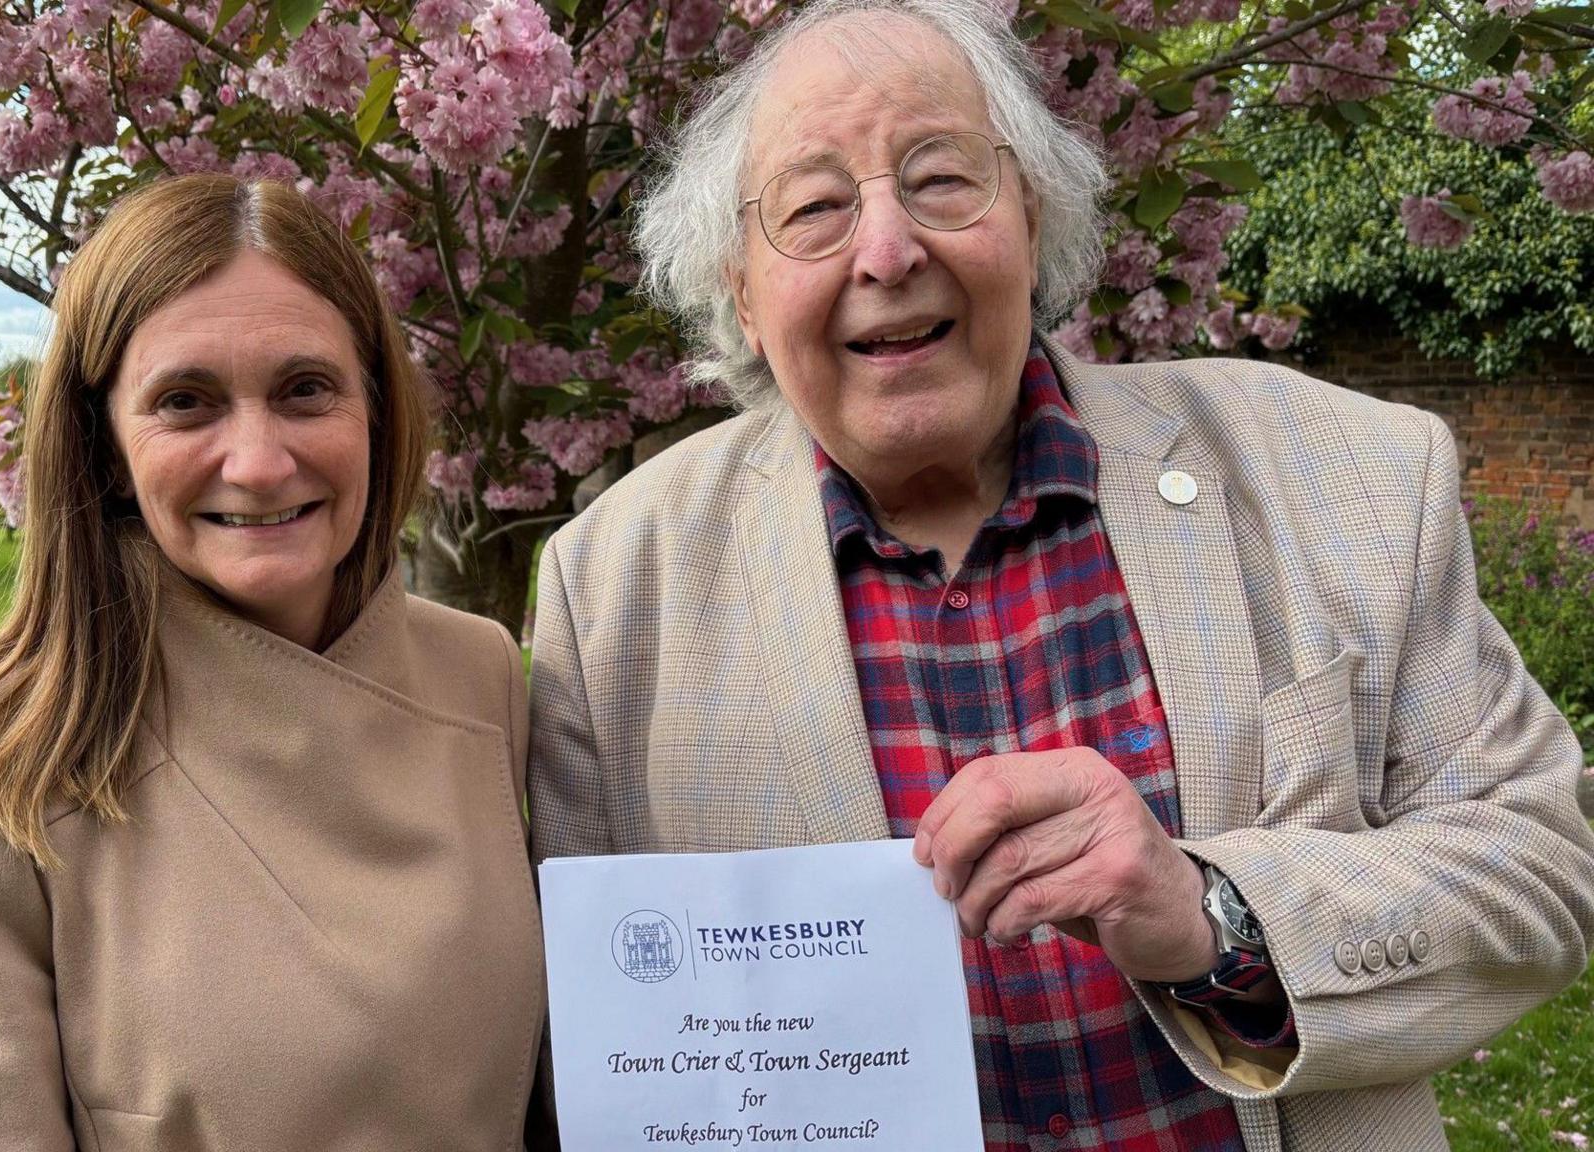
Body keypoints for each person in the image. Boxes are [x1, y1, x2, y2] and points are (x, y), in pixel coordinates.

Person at [526, 1, 1594, 1148]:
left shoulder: (1351, 474)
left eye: (940, 180)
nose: (887, 251)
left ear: (1028, 219)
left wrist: (1207, 916)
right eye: (815, 209)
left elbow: (1534, 861)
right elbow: (569, 1035)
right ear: (740, 288)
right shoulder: (611, 588)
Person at [0, 174, 544, 1151]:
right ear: (104, 446)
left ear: (375, 409)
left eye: (305, 389)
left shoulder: (478, 675)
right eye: (185, 402)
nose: (255, 461)